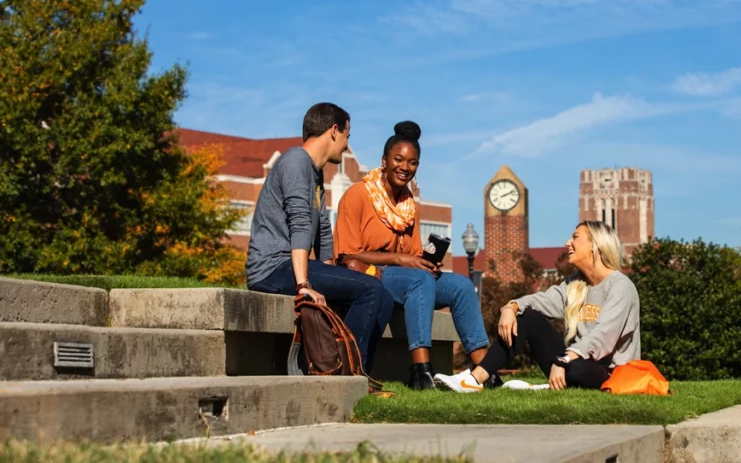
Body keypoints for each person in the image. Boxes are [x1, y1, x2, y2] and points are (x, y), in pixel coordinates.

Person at [334, 121, 493, 390]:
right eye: (398, 159)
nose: (405, 167)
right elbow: (348, 255)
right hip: (371, 276)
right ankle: (422, 371)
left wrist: (426, 261)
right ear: (384, 161)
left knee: (461, 286)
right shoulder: (357, 195)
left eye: (412, 162)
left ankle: (485, 371)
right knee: (421, 281)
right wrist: (403, 261)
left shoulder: (409, 205)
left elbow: (412, 254)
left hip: (404, 277)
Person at [246, 102, 393, 373]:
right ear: (334, 131)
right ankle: (350, 375)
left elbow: (323, 230)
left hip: (289, 267)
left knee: (381, 294)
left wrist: (334, 277)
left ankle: (360, 374)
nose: (347, 146)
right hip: (272, 269)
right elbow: (300, 225)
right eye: (347, 136)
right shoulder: (294, 162)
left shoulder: (314, 171)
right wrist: (304, 285)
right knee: (370, 290)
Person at [433, 220, 640, 393]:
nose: (567, 243)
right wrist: (511, 307)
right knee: (526, 317)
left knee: (575, 369)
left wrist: (562, 361)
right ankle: (476, 378)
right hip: (572, 362)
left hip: (609, 374)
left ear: (595, 245)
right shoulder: (576, 284)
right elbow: (540, 301)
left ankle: (548, 383)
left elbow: (603, 338)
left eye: (575, 237)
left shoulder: (620, 286)